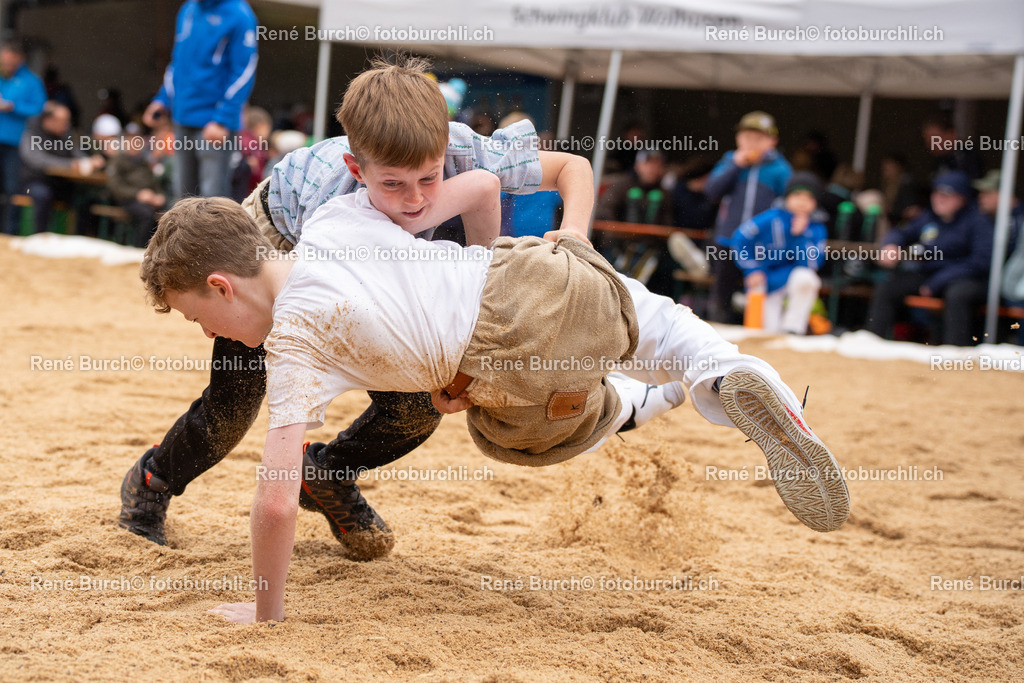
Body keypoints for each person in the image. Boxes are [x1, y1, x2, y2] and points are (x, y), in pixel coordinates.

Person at [140, 181, 850, 624]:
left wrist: (264, 613)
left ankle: (652, 399)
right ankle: (724, 382)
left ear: (221, 286)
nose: (208, 333)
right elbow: (479, 184)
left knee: (528, 431)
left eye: (197, 316)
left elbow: (273, 503)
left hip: (508, 375)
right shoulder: (335, 213)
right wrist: (486, 275)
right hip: (532, 277)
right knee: (667, 330)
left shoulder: (293, 342)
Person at [117, 56, 597, 561]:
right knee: (236, 400)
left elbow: (573, 168)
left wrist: (575, 235)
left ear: (443, 152)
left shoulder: (465, 152)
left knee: (417, 406)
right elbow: (317, 319)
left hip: (379, 260)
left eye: (429, 179)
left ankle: (326, 474)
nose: (414, 200)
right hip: (272, 249)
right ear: (357, 168)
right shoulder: (330, 203)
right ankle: (152, 480)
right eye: (392, 184)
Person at [142, 0, 258, 199]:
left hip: (214, 125)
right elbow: (177, 62)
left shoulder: (240, 14)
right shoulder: (188, 9)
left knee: (212, 201)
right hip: (182, 118)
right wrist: (162, 99)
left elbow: (244, 70)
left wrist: (222, 119)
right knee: (183, 197)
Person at [866, 171, 994, 346]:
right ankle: (872, 342)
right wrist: (891, 244)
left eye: (946, 195)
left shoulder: (977, 221)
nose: (938, 199)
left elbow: (980, 261)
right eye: (936, 193)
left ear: (962, 197)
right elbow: (901, 232)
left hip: (963, 277)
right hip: (929, 274)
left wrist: (937, 282)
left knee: (958, 295)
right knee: (889, 287)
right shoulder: (929, 217)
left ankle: (954, 351)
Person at [705, 111, 792, 324]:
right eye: (747, 137)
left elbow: (788, 205)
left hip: (760, 245)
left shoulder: (780, 169)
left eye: (759, 139)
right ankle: (719, 323)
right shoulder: (729, 161)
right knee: (722, 291)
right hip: (727, 239)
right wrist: (736, 165)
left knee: (756, 290)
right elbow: (711, 192)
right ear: (738, 139)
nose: (752, 143)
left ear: (772, 142)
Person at [732, 172, 828, 335]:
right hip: (764, 279)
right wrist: (752, 270)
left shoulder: (816, 228)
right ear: (787, 196)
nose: (803, 202)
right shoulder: (770, 218)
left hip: (791, 277)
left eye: (809, 198)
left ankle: (793, 329)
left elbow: (812, 265)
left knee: (807, 279)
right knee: (765, 333)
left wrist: (801, 236)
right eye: (798, 195)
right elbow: (739, 240)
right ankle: (747, 302)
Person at [18, 101, 104, 234]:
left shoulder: (64, 135)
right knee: (43, 195)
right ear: (48, 120)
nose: (66, 125)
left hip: (60, 183)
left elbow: (75, 152)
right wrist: (69, 164)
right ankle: (40, 236)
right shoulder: (31, 133)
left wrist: (89, 161)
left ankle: (76, 238)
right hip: (35, 181)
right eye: (63, 121)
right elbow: (38, 161)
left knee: (84, 198)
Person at [0, 40, 46, 235]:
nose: (6, 66)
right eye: (3, 62)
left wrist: (13, 107)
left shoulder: (32, 81)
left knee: (13, 189)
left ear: (20, 59)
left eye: (10, 62)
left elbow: (40, 109)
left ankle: (10, 232)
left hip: (16, 144)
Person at [106, 123, 167, 247]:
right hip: (127, 201)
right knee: (146, 214)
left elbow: (154, 183)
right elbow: (115, 187)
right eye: (130, 139)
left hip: (148, 201)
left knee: (169, 212)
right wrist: (137, 194)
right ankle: (140, 249)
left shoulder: (144, 161)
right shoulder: (118, 160)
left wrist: (158, 195)